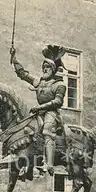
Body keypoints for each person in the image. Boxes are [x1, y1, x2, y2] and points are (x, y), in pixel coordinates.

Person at [10, 45, 66, 176]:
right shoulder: (39, 82)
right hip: (39, 113)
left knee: (47, 131)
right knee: (26, 130)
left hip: (52, 113)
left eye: (48, 67)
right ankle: (28, 164)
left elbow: (58, 102)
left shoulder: (59, 85)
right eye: (43, 67)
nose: (45, 69)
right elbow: (23, 74)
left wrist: (40, 107)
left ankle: (49, 164)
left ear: (53, 69)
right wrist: (14, 58)